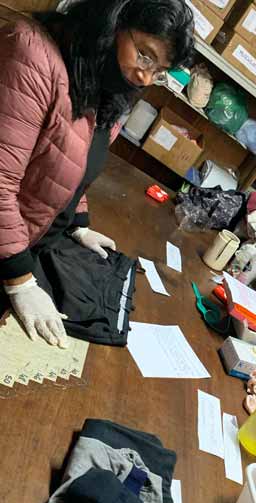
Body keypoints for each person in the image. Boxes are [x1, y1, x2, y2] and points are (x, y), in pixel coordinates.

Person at [0, 0, 194, 348]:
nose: (146, 77)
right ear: (112, 20)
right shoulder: (32, 55)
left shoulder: (108, 84)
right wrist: (20, 281)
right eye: (145, 56)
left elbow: (72, 162)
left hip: (32, 242)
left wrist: (79, 223)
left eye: (159, 71)